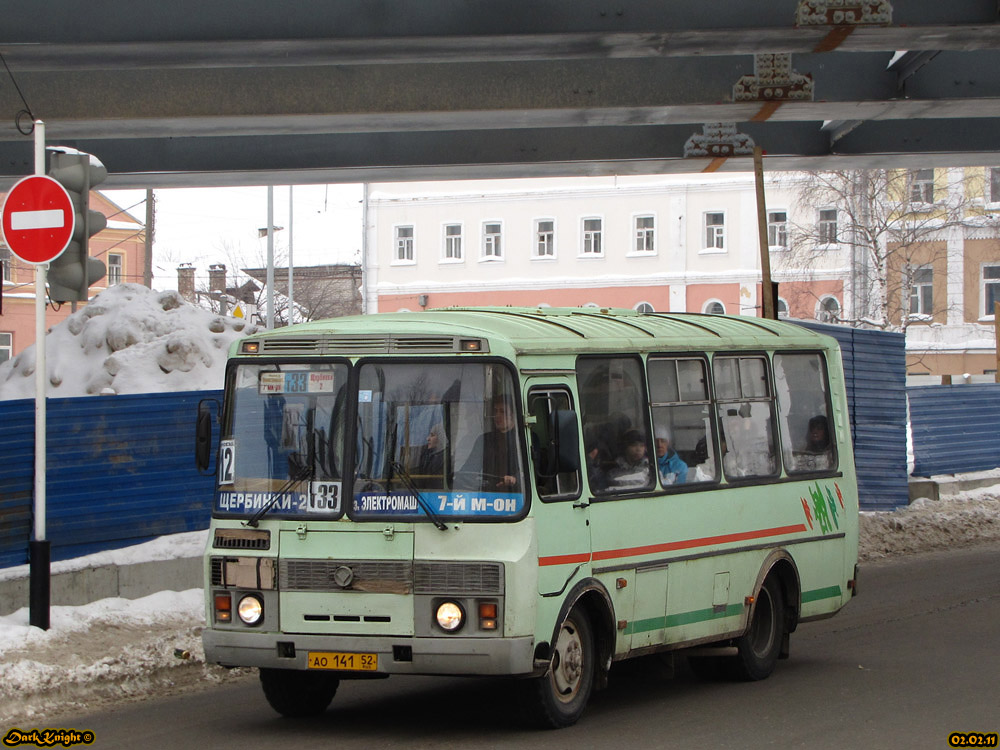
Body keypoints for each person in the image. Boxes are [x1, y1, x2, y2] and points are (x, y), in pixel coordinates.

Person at [461, 397, 521, 491]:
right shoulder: (484, 439)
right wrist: (461, 477)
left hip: (518, 494)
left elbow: (529, 471)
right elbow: (470, 468)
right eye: (495, 411)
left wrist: (515, 479)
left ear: (513, 415)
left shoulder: (523, 439)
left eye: (502, 412)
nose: (497, 415)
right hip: (489, 495)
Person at [415, 423, 446, 487]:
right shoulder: (426, 455)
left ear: (440, 437)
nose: (428, 438)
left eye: (432, 435)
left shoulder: (446, 458)